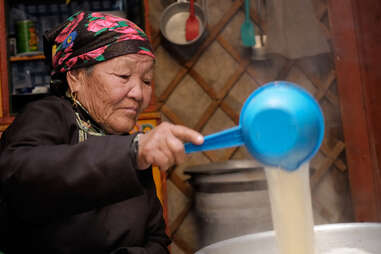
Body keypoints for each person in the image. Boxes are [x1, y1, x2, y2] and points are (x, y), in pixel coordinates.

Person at [0, 11, 203, 254]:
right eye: (123, 76)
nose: (139, 93)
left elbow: (157, 237)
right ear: (75, 78)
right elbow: (19, 175)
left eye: (147, 80)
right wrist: (132, 153)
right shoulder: (47, 116)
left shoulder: (128, 142)